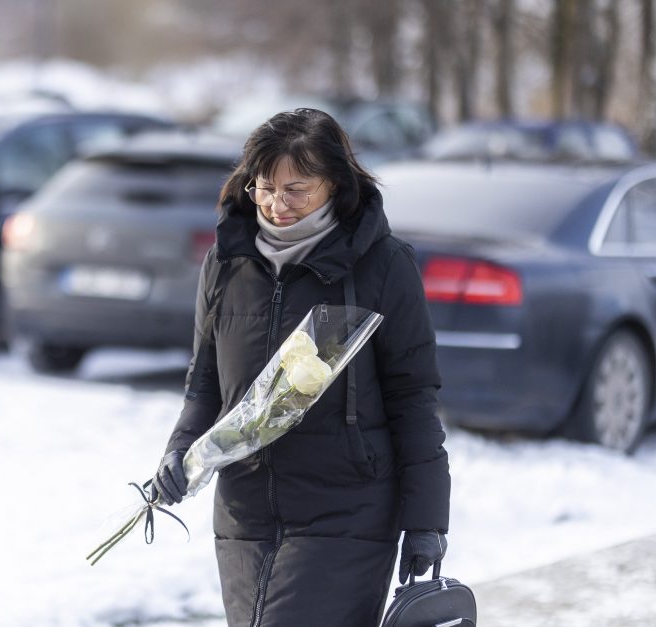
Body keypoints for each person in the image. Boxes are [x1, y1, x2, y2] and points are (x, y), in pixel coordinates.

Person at [150, 108, 451, 626]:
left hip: (347, 511)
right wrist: (180, 451)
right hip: (244, 510)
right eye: (263, 188)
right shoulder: (226, 263)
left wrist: (426, 519)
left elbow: (413, 396)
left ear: (334, 182)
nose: (276, 205)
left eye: (297, 190)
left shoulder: (382, 266)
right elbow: (204, 384)